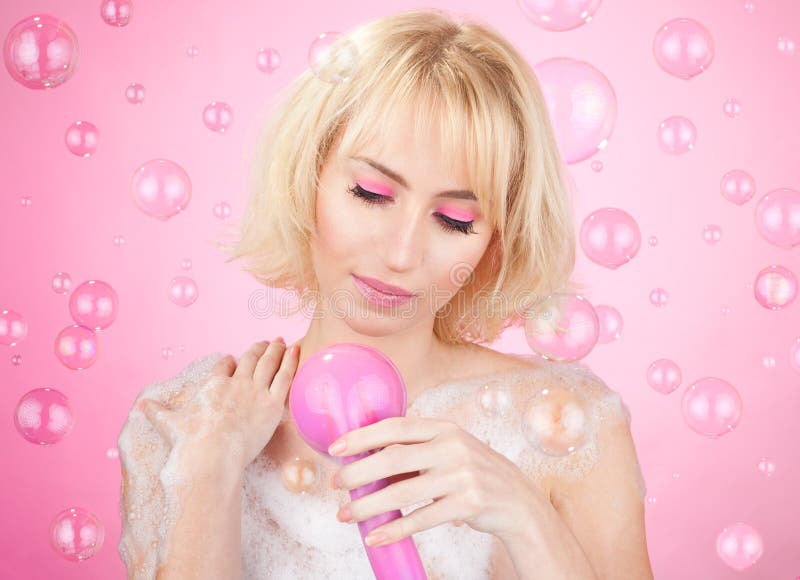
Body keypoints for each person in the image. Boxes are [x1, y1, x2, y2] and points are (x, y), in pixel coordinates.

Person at [117, 8, 653, 579]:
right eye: (371, 193)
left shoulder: (568, 426)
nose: (401, 254)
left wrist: (525, 515)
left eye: (453, 220)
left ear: (495, 241)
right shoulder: (179, 425)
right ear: (308, 176)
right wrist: (208, 472)